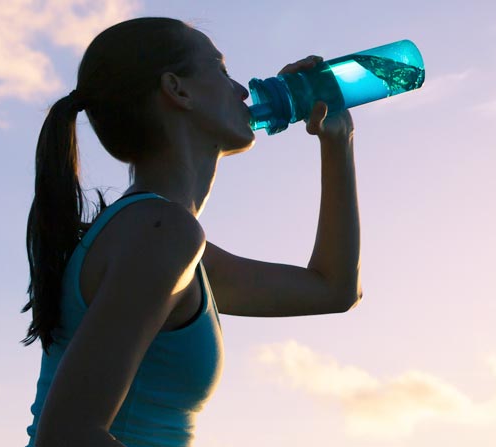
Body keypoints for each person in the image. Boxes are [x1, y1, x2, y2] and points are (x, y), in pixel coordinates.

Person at [19, 17, 362, 447]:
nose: (241, 89)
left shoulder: (163, 237)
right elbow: (67, 437)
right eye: (221, 70)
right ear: (177, 90)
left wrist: (337, 142)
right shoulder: (160, 233)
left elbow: (333, 289)